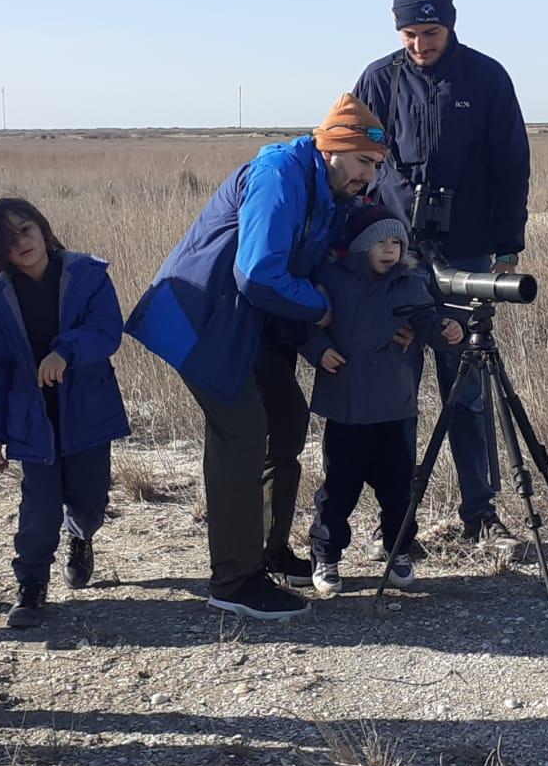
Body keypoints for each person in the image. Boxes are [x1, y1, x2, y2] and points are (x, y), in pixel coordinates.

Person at [126, 94, 384, 619]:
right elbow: (259, 272)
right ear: (332, 147)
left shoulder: (329, 193)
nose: (369, 177)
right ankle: (235, 580)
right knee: (241, 430)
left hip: (249, 326)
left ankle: (268, 551)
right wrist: (322, 308)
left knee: (286, 421)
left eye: (376, 166)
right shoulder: (280, 175)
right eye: (363, 162)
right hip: (201, 320)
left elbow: (329, 259)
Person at [353, 0, 531, 556]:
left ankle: (480, 513)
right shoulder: (378, 80)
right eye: (408, 33)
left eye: (428, 31)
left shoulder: (486, 78)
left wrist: (508, 245)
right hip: (394, 256)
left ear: (449, 23)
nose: (419, 45)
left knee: (466, 388)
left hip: (469, 254)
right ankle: (398, 524)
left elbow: (512, 166)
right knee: (395, 390)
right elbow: (355, 168)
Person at [0, 197, 130, 630]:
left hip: (87, 414)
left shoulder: (87, 276)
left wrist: (65, 351)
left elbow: (106, 331)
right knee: (39, 507)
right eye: (8, 239)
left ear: (42, 228)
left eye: (26, 229)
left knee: (90, 500)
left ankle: (81, 536)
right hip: (32, 422)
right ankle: (31, 586)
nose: (21, 241)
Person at [299, 206, 464, 597]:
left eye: (397, 242)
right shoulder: (333, 282)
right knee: (339, 488)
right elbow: (306, 323)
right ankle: (326, 555)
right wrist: (318, 350)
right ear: (359, 246)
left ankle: (397, 551)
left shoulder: (409, 284)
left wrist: (447, 330)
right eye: (380, 242)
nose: (390, 250)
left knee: (398, 488)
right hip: (347, 407)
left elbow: (427, 322)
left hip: (396, 407)